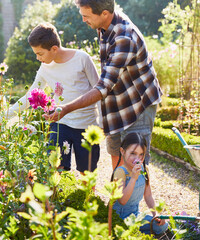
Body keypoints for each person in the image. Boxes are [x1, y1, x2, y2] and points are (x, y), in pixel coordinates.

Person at [44, 0, 162, 170]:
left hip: (138, 105)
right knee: (116, 152)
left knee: (135, 161)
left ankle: (136, 196)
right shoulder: (104, 26)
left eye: (86, 16)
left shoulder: (124, 37)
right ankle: (118, 194)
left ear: (104, 13)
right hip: (118, 102)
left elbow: (103, 87)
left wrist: (66, 108)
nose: (84, 20)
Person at [6, 22, 101, 172]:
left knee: (86, 172)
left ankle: (89, 195)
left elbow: (99, 90)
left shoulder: (82, 59)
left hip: (86, 124)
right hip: (60, 122)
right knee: (55, 166)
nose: (37, 58)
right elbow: (29, 96)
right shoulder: (45, 68)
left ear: (54, 49)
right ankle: (55, 194)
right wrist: (5, 115)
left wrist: (101, 123)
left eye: (40, 53)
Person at [111, 132, 168, 236]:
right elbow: (122, 201)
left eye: (141, 154)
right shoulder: (120, 172)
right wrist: (133, 178)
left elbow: (148, 195)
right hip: (119, 218)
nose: (137, 158)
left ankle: (140, 233)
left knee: (162, 225)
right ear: (122, 151)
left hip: (135, 215)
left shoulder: (144, 170)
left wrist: (156, 214)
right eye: (133, 153)